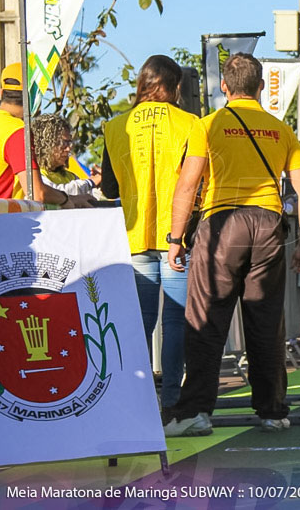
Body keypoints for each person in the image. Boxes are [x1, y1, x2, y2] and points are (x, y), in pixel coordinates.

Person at [163, 54, 300, 436]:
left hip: (222, 225)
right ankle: (273, 410)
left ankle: (195, 411)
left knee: (207, 320)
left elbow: (188, 184)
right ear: (261, 87)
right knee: (265, 322)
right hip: (268, 224)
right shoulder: (280, 129)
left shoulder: (208, 125)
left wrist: (176, 238)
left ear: (225, 87)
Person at [101, 55, 198, 420]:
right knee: (175, 320)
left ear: (142, 84)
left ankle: (136, 400)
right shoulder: (190, 124)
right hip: (177, 237)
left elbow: (110, 188)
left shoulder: (114, 126)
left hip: (134, 236)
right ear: (174, 87)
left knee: (140, 320)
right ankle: (172, 401)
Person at [0, 62, 88, 207]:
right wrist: (67, 200)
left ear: (2, 92)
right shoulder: (17, 131)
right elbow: (37, 193)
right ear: (35, 98)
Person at [31, 113, 100, 195]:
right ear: (46, 144)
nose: (68, 148)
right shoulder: (35, 174)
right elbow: (54, 194)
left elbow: (90, 197)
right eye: (63, 143)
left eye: (69, 143)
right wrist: (90, 182)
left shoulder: (70, 176)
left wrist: (100, 182)